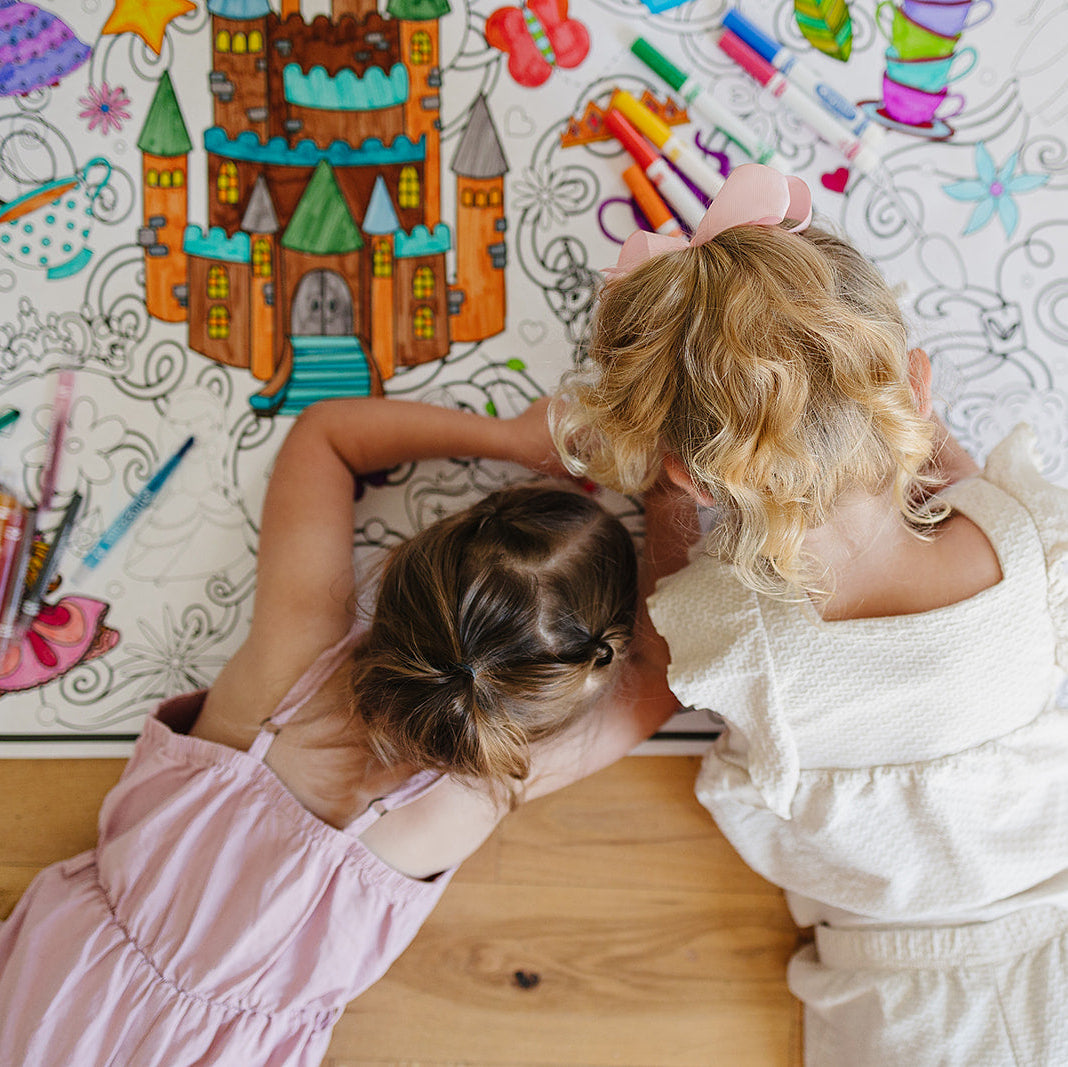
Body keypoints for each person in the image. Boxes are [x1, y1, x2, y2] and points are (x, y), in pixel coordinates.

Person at [552, 163, 1068, 1065]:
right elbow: (957, 472)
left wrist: (662, 500)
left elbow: (667, 603)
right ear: (916, 390)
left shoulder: (733, 634)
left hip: (899, 996)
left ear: (690, 475)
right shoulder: (1021, 537)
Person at [0, 396, 678, 1066]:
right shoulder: (490, 784)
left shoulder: (295, 654)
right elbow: (668, 668)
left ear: (408, 565)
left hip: (65, 984)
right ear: (579, 679)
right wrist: (669, 481)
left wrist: (509, 437)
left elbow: (326, 437)